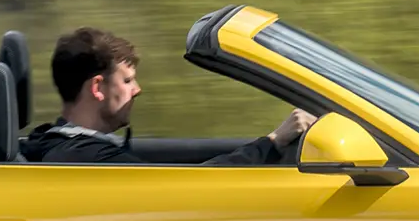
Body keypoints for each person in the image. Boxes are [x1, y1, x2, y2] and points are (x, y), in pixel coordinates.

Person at [27, 26, 314, 166]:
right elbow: (190, 191)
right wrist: (273, 142)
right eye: (127, 81)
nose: (137, 89)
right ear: (97, 88)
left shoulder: (71, 148)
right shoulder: (87, 159)